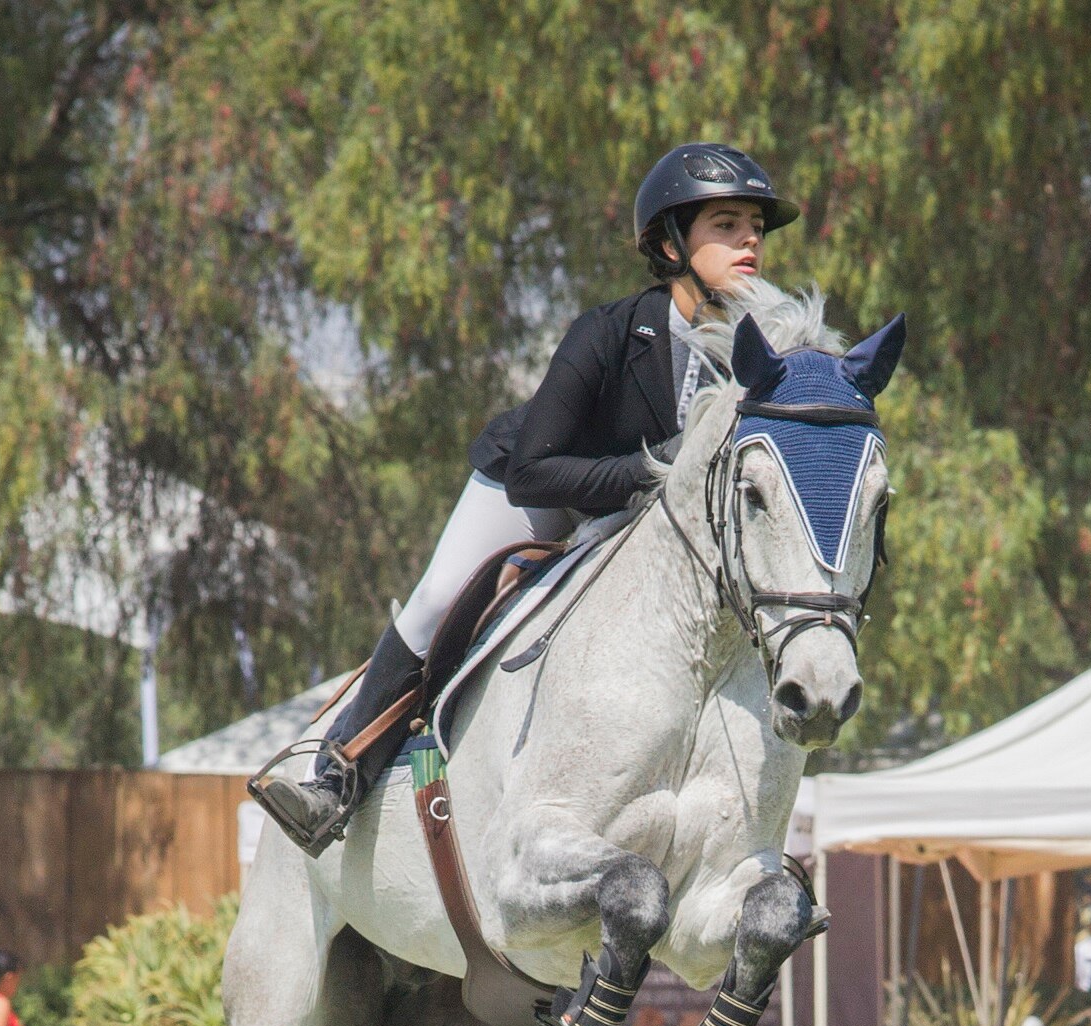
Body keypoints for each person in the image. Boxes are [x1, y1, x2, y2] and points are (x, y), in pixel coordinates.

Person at [249, 142, 803, 856]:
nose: (750, 238)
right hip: (544, 493)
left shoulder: (767, 351)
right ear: (670, 242)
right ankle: (336, 774)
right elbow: (535, 473)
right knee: (440, 595)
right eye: (725, 223)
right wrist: (658, 470)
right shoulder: (608, 334)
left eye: (754, 224)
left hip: (655, 534)